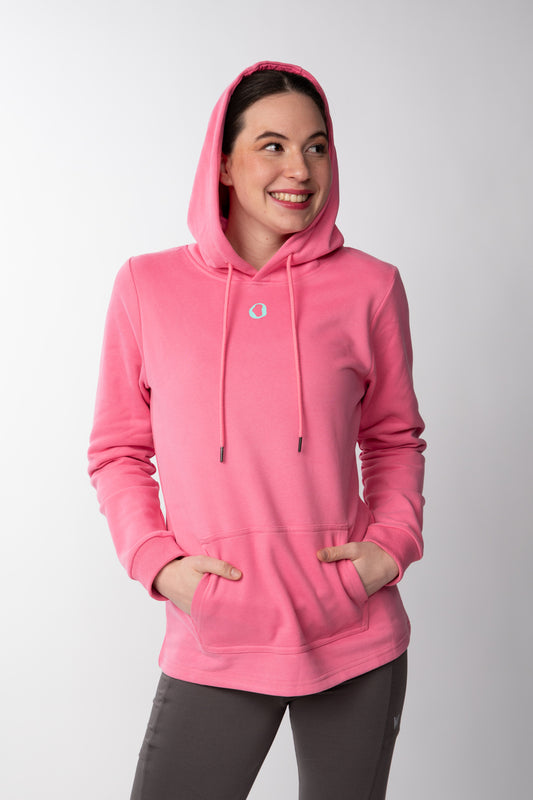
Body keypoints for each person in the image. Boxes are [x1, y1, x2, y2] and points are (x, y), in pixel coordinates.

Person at [88, 60, 426, 800]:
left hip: (352, 630)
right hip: (217, 633)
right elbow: (118, 451)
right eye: (272, 145)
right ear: (223, 163)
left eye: (316, 147)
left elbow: (394, 439)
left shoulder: (371, 287)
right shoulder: (146, 287)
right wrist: (157, 563)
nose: (299, 169)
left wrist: (388, 548)